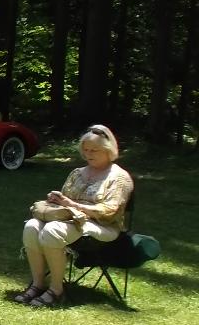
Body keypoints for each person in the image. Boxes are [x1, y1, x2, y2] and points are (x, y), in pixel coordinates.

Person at [15, 125, 134, 307]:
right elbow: (65, 200)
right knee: (31, 226)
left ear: (108, 150)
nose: (88, 154)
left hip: (103, 226)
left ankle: (56, 290)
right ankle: (38, 284)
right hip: (71, 220)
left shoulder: (119, 178)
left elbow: (109, 212)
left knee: (53, 230)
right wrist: (56, 200)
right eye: (86, 150)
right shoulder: (77, 173)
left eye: (94, 150)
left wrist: (73, 205)